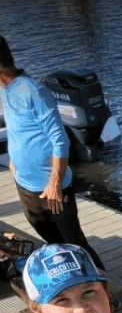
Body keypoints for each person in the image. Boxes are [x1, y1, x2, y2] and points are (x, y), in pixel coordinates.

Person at [0, 36, 104, 270]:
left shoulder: (35, 92)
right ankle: (74, 283)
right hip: (25, 185)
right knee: (52, 243)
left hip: (52, 189)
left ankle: (106, 289)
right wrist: (13, 159)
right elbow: (16, 127)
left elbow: (60, 140)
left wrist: (55, 183)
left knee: (75, 244)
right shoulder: (5, 88)